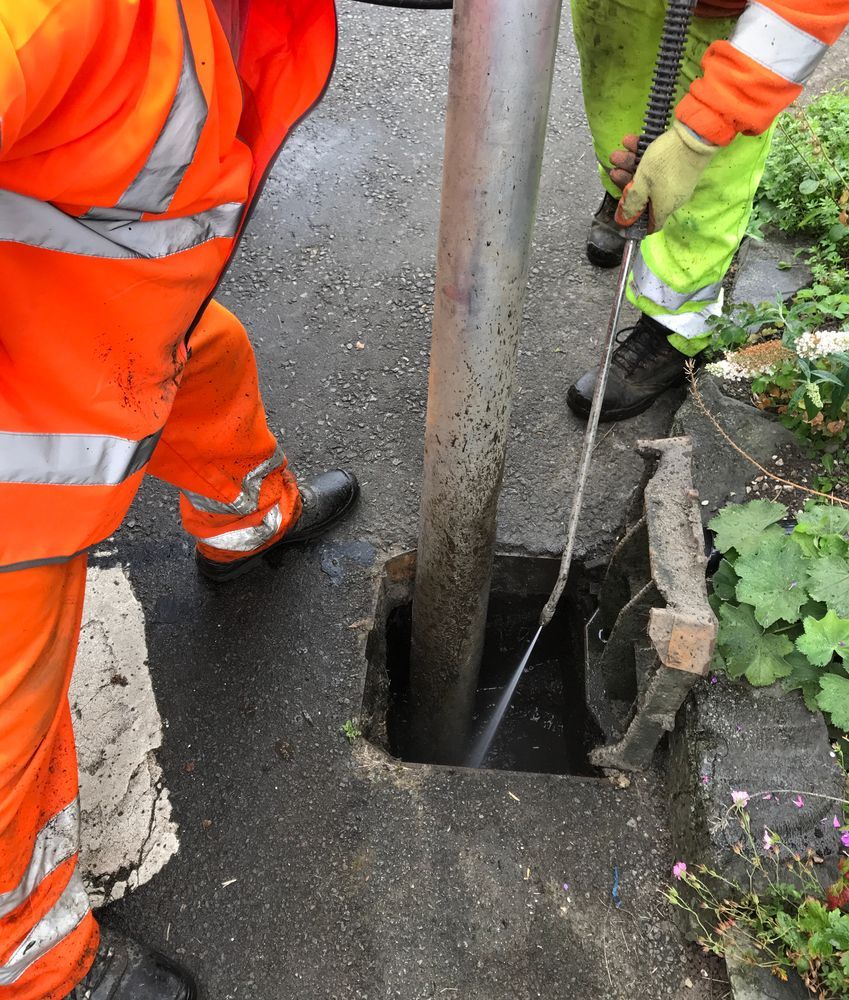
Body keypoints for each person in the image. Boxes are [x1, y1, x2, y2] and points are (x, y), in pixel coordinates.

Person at [0, 1, 355, 998]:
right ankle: (39, 970)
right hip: (21, 463)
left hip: (111, 328)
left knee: (211, 361)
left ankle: (249, 523)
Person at [567, 0, 849, 422]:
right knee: (617, 105)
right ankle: (624, 199)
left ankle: (672, 329)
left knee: (711, 175)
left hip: (723, 12)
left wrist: (701, 132)